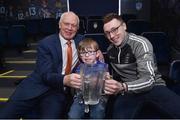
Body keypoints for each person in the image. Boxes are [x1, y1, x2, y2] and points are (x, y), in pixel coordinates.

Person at [0, 11, 84, 119]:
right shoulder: (46, 43)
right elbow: (46, 75)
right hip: (35, 86)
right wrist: (65, 80)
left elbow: (92, 47)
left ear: (77, 28)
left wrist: (98, 53)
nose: (69, 28)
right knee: (5, 116)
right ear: (59, 24)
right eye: (66, 24)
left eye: (73, 25)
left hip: (56, 91)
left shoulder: (81, 41)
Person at [103, 13, 180, 119]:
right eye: (107, 33)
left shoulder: (140, 43)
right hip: (128, 91)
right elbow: (115, 74)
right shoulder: (110, 50)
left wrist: (123, 87)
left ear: (124, 26)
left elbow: (148, 80)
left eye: (115, 29)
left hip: (153, 87)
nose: (111, 36)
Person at [68, 38, 109, 119]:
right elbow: (76, 83)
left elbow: (107, 80)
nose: (86, 55)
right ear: (79, 55)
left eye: (90, 52)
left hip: (98, 95)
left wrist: (106, 78)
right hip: (82, 96)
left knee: (98, 113)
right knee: (73, 115)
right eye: (83, 53)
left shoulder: (103, 66)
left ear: (97, 53)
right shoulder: (80, 67)